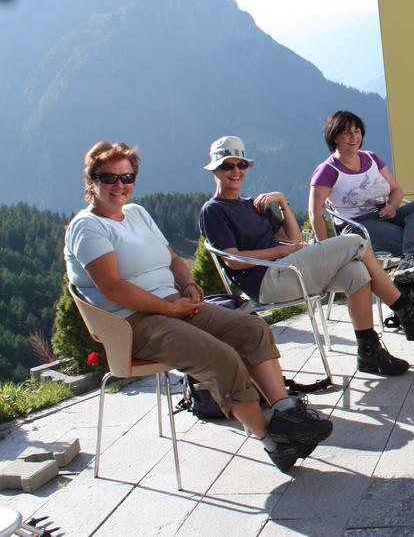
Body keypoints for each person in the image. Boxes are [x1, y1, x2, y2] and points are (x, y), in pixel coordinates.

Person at [64, 141, 332, 473]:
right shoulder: (87, 227)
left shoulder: (136, 213)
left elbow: (174, 258)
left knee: (251, 328)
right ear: (92, 181)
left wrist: (189, 286)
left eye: (127, 177)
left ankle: (286, 410)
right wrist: (169, 309)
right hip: (134, 323)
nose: (120, 185)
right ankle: (274, 441)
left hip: (174, 306)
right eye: (109, 178)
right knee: (221, 357)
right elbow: (113, 288)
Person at [199, 136, 414, 361]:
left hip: (290, 271)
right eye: (227, 166)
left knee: (356, 271)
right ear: (215, 171)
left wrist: (282, 202)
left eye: (241, 164)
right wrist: (282, 252)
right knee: (356, 242)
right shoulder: (213, 210)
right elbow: (234, 261)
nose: (235, 171)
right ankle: (408, 311)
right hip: (267, 282)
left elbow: (291, 237)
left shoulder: (251, 204)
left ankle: (369, 353)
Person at [308, 111, 414, 312]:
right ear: (335, 137)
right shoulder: (327, 170)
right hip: (358, 228)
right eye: (347, 133)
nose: (354, 137)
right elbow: (315, 213)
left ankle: (413, 264)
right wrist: (326, 251)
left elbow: (397, 190)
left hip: (386, 215)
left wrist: (393, 206)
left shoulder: (371, 158)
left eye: (357, 132)